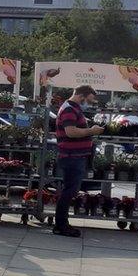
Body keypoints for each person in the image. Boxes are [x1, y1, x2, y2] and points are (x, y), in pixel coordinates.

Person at [54, 85, 104, 237]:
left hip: (74, 156)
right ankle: (61, 225)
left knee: (70, 190)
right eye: (88, 100)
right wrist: (92, 131)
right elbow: (71, 132)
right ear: (82, 95)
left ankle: (62, 224)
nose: (88, 103)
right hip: (72, 156)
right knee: (69, 191)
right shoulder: (69, 109)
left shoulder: (72, 108)